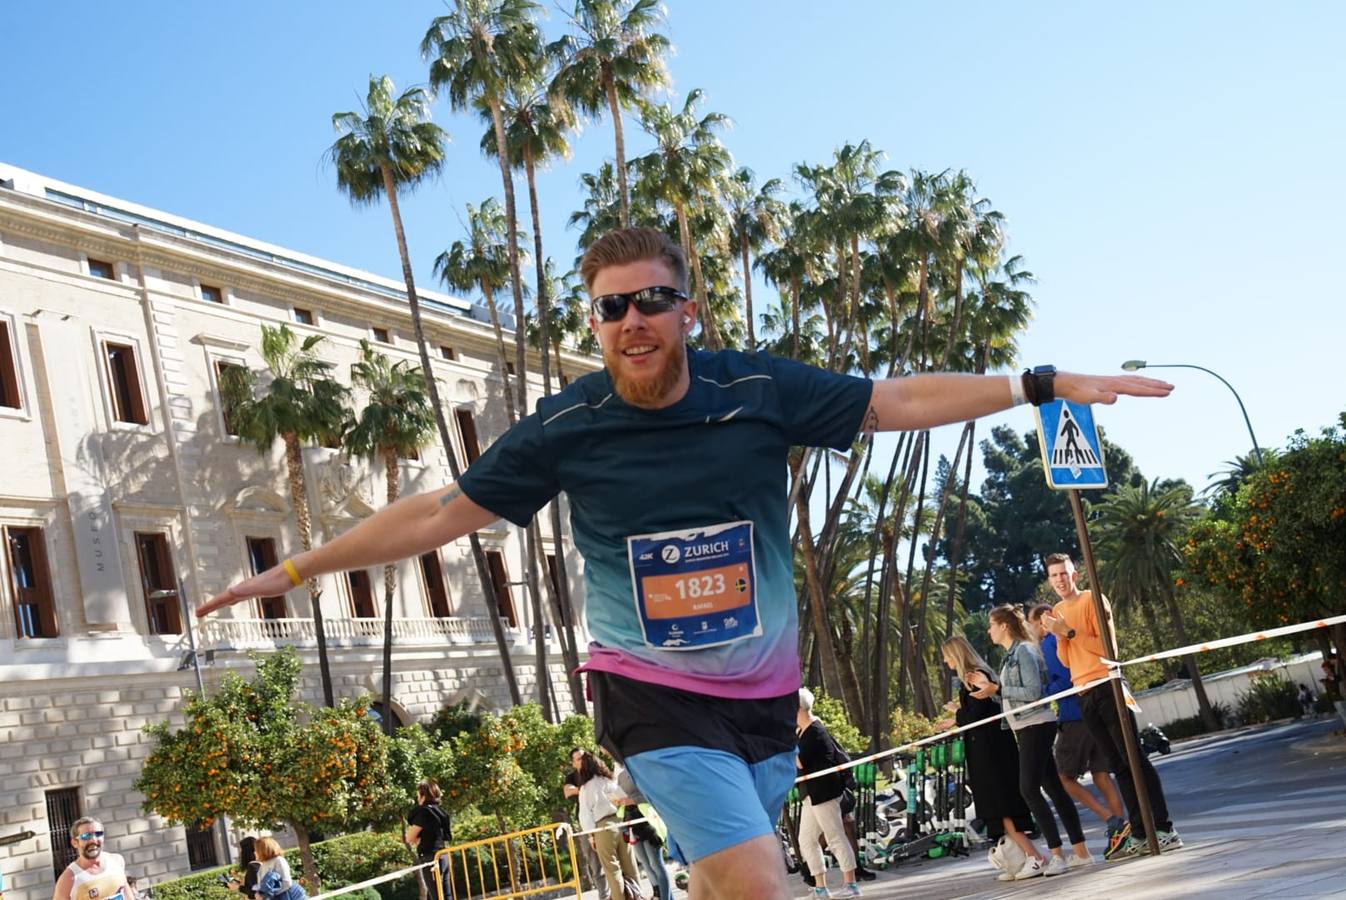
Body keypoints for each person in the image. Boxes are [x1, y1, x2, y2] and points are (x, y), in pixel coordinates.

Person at [197, 227, 1171, 898]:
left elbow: (892, 402)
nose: (632, 322)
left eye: (650, 302)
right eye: (609, 308)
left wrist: (1036, 385)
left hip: (763, 705)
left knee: (720, 881)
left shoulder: (756, 387)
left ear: (685, 310)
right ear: (593, 324)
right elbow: (441, 512)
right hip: (646, 696)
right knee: (756, 878)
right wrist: (291, 572)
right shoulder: (569, 426)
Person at [1039, 553, 1181, 859]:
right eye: (1054, 576)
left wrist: (1069, 632)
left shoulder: (1093, 600)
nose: (1060, 580)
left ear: (1074, 575)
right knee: (1117, 765)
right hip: (1083, 691)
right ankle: (1141, 831)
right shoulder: (1060, 609)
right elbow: (1066, 661)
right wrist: (1059, 634)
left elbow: (1107, 648)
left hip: (1108, 685)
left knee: (1134, 757)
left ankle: (1164, 828)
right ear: (1049, 581)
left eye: (1064, 574)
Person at [982, 605, 1090, 876]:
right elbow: (1013, 695)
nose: (989, 631)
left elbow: (1032, 692)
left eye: (992, 625)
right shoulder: (1010, 655)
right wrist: (994, 693)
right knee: (1053, 788)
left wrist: (999, 689)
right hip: (1026, 726)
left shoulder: (1024, 651)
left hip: (1036, 725)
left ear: (1004, 626)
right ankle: (1080, 852)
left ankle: (1056, 854)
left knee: (1028, 789)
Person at [1028, 603, 1128, 854]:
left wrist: (1040, 694)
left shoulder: (1050, 643)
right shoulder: (1061, 640)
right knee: (1101, 775)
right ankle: (1122, 833)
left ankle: (1111, 819)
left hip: (1074, 715)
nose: (1030, 629)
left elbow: (1063, 680)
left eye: (1031, 623)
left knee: (1064, 777)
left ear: (1042, 620)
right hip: (1091, 710)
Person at [937, 637, 1037, 881]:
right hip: (986, 751)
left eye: (947, 656)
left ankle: (1034, 857)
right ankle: (1023, 858)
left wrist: (957, 716)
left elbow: (977, 713)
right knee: (998, 810)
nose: (945, 661)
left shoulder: (975, 676)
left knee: (1003, 806)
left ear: (957, 655)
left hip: (992, 754)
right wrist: (958, 715)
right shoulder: (971, 678)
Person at [794, 688, 861, 898]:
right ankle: (820, 888)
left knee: (835, 837)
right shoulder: (802, 731)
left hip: (823, 793)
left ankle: (851, 884)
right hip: (810, 795)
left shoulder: (815, 731)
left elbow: (800, 761)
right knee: (806, 840)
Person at [573, 749, 641, 899]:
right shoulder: (609, 780)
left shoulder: (586, 788)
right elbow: (622, 798)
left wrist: (591, 836)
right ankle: (638, 896)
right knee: (631, 867)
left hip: (603, 827)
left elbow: (585, 815)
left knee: (612, 871)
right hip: (620, 823)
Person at [615, 768, 673, 899]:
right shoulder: (621, 776)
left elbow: (653, 794)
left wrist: (633, 801)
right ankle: (660, 894)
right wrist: (618, 802)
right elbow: (621, 798)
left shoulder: (640, 769)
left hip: (648, 821)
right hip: (632, 822)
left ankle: (664, 898)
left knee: (656, 864)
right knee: (646, 864)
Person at [52, 817, 135, 900]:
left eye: (98, 834)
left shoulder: (116, 861)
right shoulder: (68, 878)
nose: (93, 840)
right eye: (86, 836)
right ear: (74, 843)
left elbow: (128, 896)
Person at [564, 759, 611, 900]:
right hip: (585, 823)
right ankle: (604, 896)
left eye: (583, 757)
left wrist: (581, 790)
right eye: (577, 759)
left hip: (604, 819)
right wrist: (586, 789)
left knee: (611, 860)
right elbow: (567, 791)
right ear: (573, 763)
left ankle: (623, 893)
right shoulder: (572, 777)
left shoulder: (598, 772)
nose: (581, 761)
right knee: (594, 862)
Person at [405, 781, 452, 899]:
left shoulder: (425, 812)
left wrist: (417, 838)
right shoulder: (439, 811)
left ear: (423, 796)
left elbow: (409, 837)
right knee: (446, 895)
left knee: (437, 895)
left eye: (418, 796)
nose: (417, 799)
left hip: (430, 857)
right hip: (443, 855)